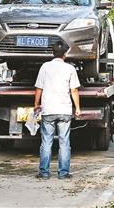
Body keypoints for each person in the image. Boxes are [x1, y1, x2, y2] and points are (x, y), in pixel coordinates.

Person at [34, 42, 81, 180]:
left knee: (46, 142)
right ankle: (63, 173)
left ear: (52, 53)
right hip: (64, 110)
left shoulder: (45, 67)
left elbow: (39, 88)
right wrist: (77, 108)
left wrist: (36, 104)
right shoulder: (70, 68)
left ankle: (44, 173)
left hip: (48, 110)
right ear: (65, 54)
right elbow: (74, 90)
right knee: (64, 142)